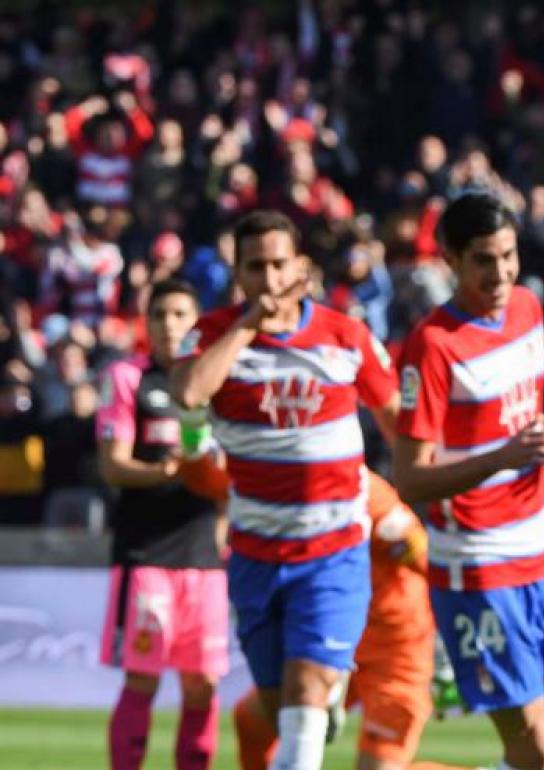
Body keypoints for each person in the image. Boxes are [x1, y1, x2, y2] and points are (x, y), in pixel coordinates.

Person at [392, 192, 544, 770]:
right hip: (478, 570)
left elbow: (521, 426)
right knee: (534, 750)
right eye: (482, 259)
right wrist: (503, 456)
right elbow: (410, 480)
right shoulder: (432, 345)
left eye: (507, 255)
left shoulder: (525, 308)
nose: (500, 273)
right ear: (449, 258)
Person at [171, 209, 399, 770]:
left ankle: (322, 690)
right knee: (283, 710)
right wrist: (249, 323)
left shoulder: (347, 335)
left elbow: (401, 423)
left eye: (279, 264)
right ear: (238, 274)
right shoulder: (213, 333)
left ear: (300, 266)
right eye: (256, 267)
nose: (271, 279)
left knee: (301, 700)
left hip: (334, 551)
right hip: (255, 553)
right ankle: (325, 699)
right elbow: (189, 394)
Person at [215, 469, 471, 770]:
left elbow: (420, 553)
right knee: (252, 720)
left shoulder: (367, 493)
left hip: (398, 650)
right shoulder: (282, 485)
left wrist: (457, 634)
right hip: (334, 637)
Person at [96, 278, 227, 770]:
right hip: (146, 553)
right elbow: (112, 466)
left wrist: (222, 507)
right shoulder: (128, 377)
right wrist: (168, 471)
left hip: (204, 557)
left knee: (203, 684)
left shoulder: (215, 383)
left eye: (180, 314)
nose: (170, 325)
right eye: (160, 315)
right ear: (146, 324)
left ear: (197, 324)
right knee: (143, 678)